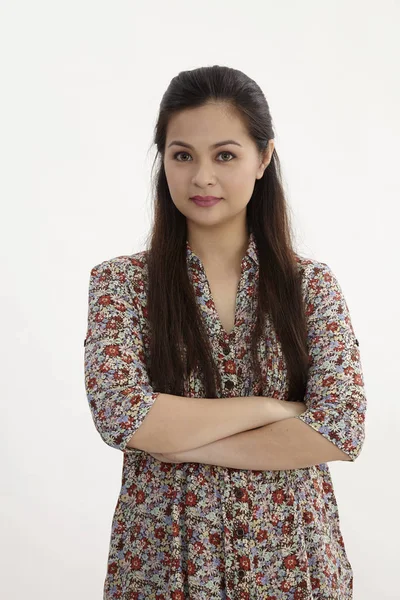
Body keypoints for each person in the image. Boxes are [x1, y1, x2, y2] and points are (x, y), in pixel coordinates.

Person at [84, 65, 366, 600]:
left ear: (264, 158)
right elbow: (126, 417)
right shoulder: (119, 285)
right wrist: (273, 409)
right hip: (166, 565)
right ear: (162, 160)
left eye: (226, 155)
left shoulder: (312, 287)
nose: (202, 177)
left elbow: (340, 431)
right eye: (182, 155)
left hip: (293, 564)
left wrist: (181, 442)